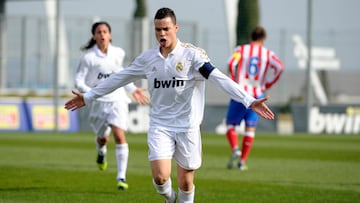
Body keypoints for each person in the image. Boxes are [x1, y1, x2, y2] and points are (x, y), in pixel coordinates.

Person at [65, 8, 274, 203]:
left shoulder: (193, 56)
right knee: (160, 178)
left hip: (188, 127)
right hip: (160, 126)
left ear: (175, 28)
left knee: (186, 182)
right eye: (158, 29)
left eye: (166, 28)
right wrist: (89, 96)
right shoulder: (148, 58)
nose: (162, 33)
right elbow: (120, 78)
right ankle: (169, 198)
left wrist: (249, 100)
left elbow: (219, 78)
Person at [74, 21, 149, 190]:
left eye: (105, 31)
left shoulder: (118, 53)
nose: (102, 34)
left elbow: (121, 75)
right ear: (94, 36)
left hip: (118, 99)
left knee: (120, 136)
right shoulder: (88, 58)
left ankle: (121, 177)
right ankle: (101, 151)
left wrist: (132, 89)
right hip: (98, 102)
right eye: (99, 32)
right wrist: (89, 92)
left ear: (110, 35)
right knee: (103, 138)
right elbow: (78, 80)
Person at [225, 26, 284, 171]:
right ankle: (242, 161)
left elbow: (231, 63)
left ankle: (235, 149)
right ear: (263, 39)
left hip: (240, 93)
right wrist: (269, 82)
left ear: (251, 37)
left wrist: (234, 80)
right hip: (258, 95)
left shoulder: (241, 50)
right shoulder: (268, 54)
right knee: (250, 129)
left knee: (230, 125)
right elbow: (280, 67)